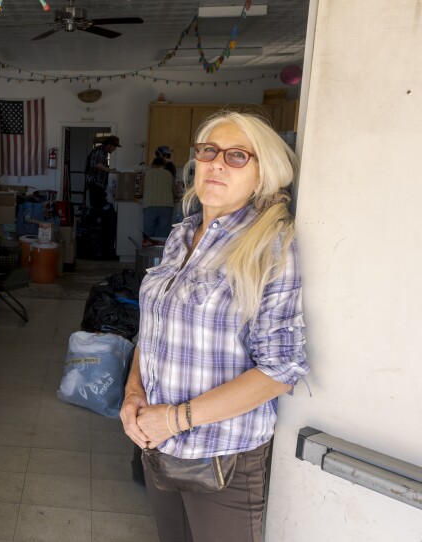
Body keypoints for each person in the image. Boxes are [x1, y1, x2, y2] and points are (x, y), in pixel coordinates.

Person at [120, 111, 308, 542]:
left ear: (263, 175)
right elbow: (154, 331)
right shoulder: (181, 235)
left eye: (237, 155)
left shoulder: (271, 245)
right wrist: (133, 392)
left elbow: (280, 370)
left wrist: (174, 419)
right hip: (157, 442)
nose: (217, 163)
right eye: (209, 151)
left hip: (223, 455)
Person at [140, 157, 179, 238]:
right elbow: (176, 192)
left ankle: (148, 246)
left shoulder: (146, 174)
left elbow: (140, 191)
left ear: (153, 165)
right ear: (164, 165)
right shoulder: (169, 174)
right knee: (163, 235)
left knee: (148, 235)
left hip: (149, 205)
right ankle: (160, 246)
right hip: (166, 206)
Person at [85, 135, 121, 209]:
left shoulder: (104, 152)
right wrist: (111, 170)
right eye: (114, 146)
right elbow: (97, 164)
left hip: (98, 185)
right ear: (109, 144)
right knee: (96, 209)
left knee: (98, 208)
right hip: (95, 184)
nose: (115, 149)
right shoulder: (100, 150)